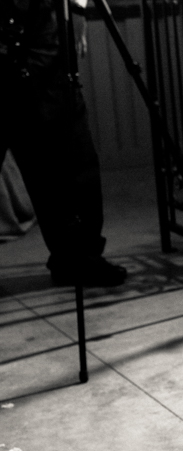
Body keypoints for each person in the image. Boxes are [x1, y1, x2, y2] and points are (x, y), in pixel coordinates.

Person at [0, 0, 127, 286]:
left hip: (43, 37)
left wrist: (78, 13)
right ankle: (78, 258)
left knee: (73, 160)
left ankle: (79, 258)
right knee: (64, 160)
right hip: (27, 35)